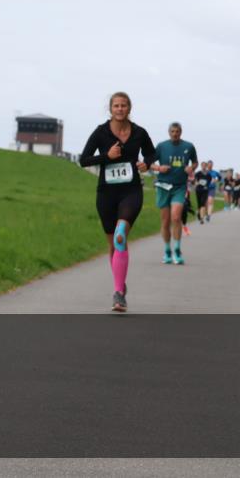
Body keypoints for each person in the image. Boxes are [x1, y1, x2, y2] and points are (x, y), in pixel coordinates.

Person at [79, 91, 155, 312]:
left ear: (129, 108)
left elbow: (151, 154)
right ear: (110, 109)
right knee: (113, 245)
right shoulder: (101, 132)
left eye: (123, 105)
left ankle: (118, 294)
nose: (120, 109)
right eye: (116, 106)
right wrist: (106, 157)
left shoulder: (139, 133)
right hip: (106, 194)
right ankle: (119, 284)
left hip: (131, 191)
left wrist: (146, 164)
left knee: (121, 236)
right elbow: (84, 160)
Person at [152, 122, 198, 264]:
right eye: (172, 131)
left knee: (176, 218)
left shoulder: (188, 146)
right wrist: (159, 168)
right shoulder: (161, 146)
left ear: (181, 132)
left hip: (179, 187)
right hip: (163, 186)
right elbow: (149, 163)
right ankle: (167, 251)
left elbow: (195, 162)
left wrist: (191, 168)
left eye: (177, 131)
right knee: (165, 221)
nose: (175, 134)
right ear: (169, 132)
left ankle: (177, 250)